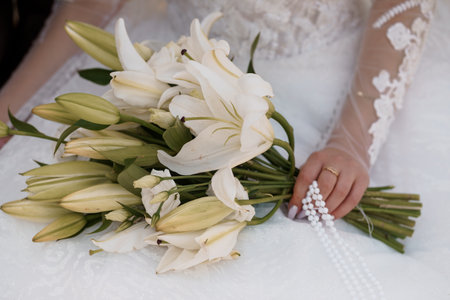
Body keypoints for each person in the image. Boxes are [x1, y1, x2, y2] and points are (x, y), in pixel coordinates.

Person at [0, 0, 449, 298]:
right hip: (165, 68)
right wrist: (5, 114)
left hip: (339, 82)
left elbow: (404, 7)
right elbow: (88, 6)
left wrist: (351, 142)